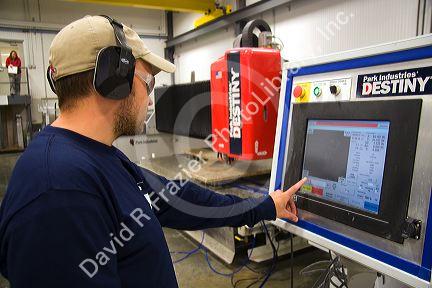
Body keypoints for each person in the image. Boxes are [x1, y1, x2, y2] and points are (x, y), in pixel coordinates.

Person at [0, 16, 306, 288]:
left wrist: (265, 206)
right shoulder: (58, 192)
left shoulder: (99, 156)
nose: (150, 99)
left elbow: (179, 199)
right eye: (148, 82)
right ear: (113, 80)